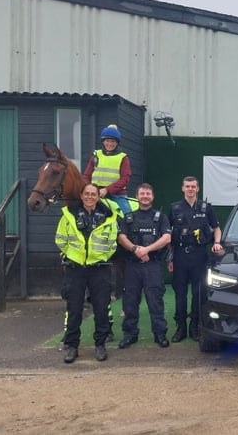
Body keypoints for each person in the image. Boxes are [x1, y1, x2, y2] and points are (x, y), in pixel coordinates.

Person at [55, 183, 118, 364]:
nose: (90, 197)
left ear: (98, 197)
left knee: (101, 308)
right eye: (87, 193)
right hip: (76, 269)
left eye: (94, 194)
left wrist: (101, 257)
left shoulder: (108, 217)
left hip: (99, 268)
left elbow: (112, 242)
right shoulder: (68, 215)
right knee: (74, 309)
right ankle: (72, 347)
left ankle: (100, 345)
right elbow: (60, 239)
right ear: (81, 196)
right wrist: (72, 256)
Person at [117, 183, 172, 349]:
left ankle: (160, 334)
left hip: (152, 265)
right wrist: (135, 250)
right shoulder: (128, 217)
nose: (145, 196)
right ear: (137, 196)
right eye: (142, 193)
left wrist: (146, 250)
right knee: (130, 302)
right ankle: (130, 334)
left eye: (148, 193)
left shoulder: (160, 217)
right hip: (132, 266)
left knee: (155, 301)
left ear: (152, 197)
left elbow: (167, 238)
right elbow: (121, 238)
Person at [168, 176, 223, 342]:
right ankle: (181, 327)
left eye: (193, 186)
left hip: (199, 255)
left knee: (199, 292)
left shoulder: (206, 208)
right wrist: (170, 259)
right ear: (182, 188)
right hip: (179, 256)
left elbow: (216, 228)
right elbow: (167, 235)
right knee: (180, 293)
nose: (190, 189)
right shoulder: (174, 208)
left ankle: (195, 326)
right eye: (187, 186)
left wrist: (217, 242)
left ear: (198, 189)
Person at [83, 124, 133, 215]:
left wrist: (107, 190)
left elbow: (125, 179)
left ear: (117, 143)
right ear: (103, 141)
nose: (110, 144)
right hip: (95, 193)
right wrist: (89, 189)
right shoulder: (96, 155)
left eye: (113, 141)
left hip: (116, 194)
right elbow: (87, 175)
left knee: (127, 215)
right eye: (107, 141)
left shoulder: (123, 157)